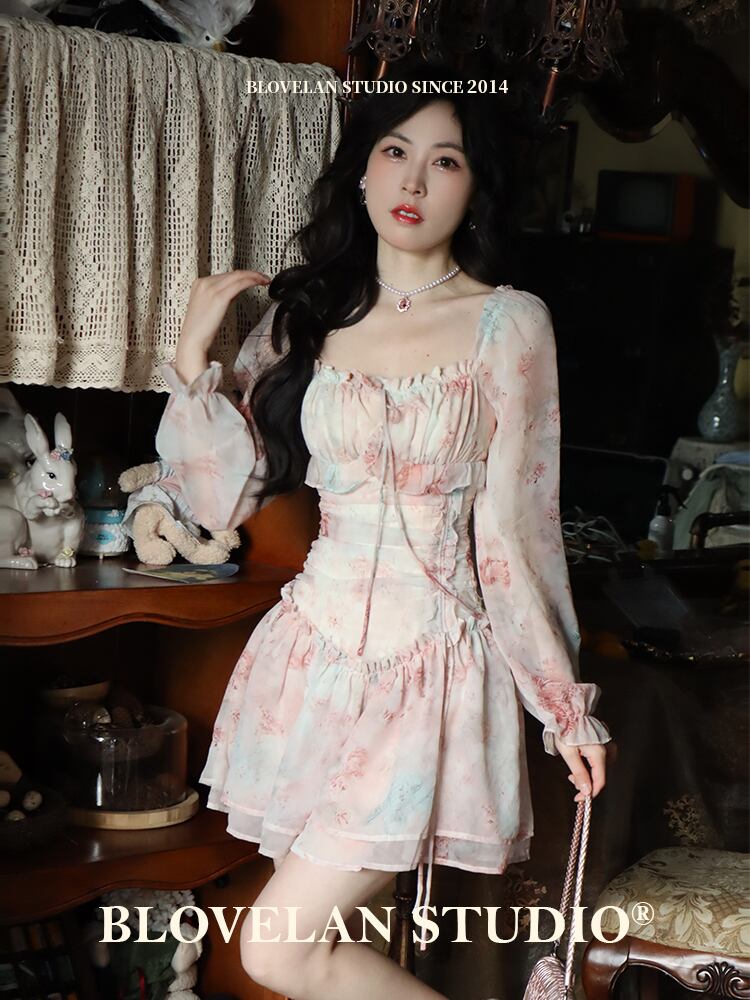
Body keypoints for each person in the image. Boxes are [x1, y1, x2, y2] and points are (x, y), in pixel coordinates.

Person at [156, 64, 614, 1000]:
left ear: (475, 187)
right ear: (360, 172)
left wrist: (562, 704)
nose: (412, 180)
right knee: (318, 949)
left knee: (277, 951)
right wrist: (191, 359)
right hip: (309, 664)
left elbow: (515, 531)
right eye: (394, 151)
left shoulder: (508, 324)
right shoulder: (305, 320)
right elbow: (221, 503)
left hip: (431, 667)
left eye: (445, 161)